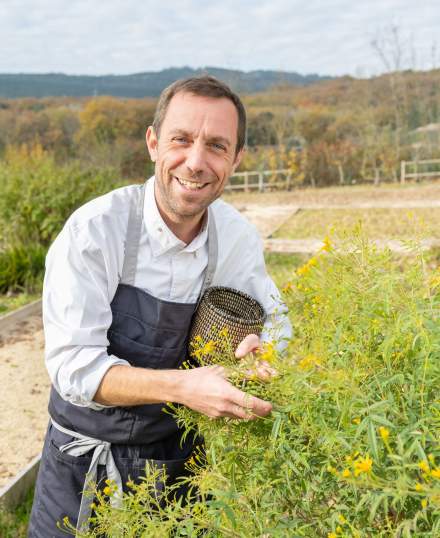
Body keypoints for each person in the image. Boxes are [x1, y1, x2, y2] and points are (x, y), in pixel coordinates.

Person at [28, 76, 291, 537]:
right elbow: (75, 369)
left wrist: (261, 350)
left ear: (236, 159)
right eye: (181, 139)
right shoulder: (97, 230)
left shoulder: (235, 238)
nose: (196, 161)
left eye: (216, 145)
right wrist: (185, 387)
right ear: (153, 143)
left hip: (177, 463)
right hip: (83, 463)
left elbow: (276, 324)